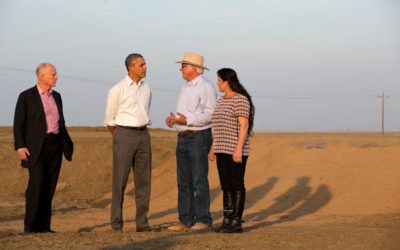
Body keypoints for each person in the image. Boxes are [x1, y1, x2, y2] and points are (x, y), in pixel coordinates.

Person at [13, 63, 73, 235]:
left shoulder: (57, 96)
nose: (56, 77)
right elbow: (19, 124)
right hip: (35, 148)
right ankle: (30, 226)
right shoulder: (26, 96)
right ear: (42, 76)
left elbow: (61, 122)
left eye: (55, 74)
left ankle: (44, 226)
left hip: (55, 146)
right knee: (37, 185)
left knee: (50, 186)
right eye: (53, 74)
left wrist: (66, 144)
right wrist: (20, 146)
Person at [165, 52, 217, 232]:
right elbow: (184, 115)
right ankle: (185, 220)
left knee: (199, 180)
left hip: (198, 137)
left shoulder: (206, 87)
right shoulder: (185, 87)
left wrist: (186, 120)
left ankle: (203, 219)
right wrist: (175, 120)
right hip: (183, 137)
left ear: (194, 68)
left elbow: (210, 114)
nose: (181, 68)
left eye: (184, 65)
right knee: (183, 182)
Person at [104, 53, 153, 232]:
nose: (145, 67)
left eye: (145, 64)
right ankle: (116, 223)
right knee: (120, 181)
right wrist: (120, 137)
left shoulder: (147, 88)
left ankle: (142, 222)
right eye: (141, 64)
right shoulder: (117, 89)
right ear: (130, 67)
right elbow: (109, 120)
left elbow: (145, 111)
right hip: (123, 134)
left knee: (144, 181)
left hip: (143, 135)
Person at [208, 68, 255, 233]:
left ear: (227, 82)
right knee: (225, 185)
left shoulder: (240, 99)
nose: (217, 83)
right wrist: (213, 148)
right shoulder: (221, 101)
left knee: (236, 184)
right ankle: (227, 220)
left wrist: (238, 149)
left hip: (235, 149)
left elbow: (244, 125)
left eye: (219, 80)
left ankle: (236, 222)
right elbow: (218, 127)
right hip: (221, 148)